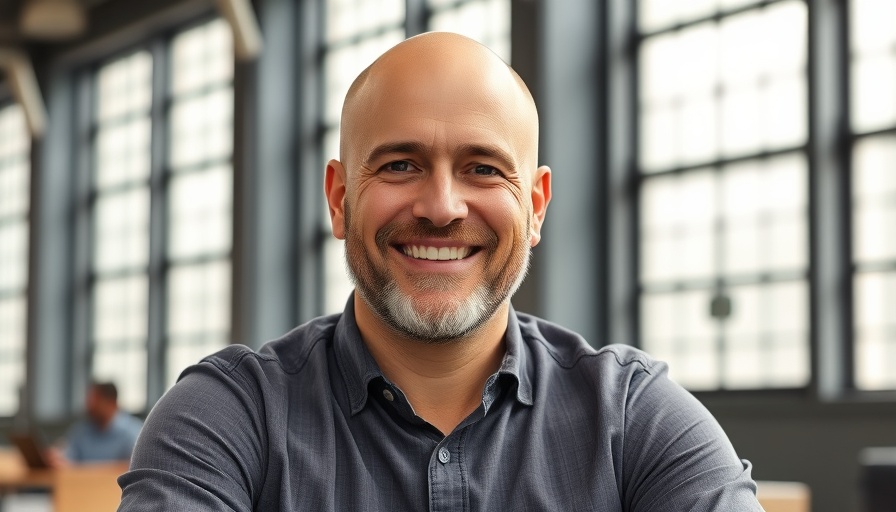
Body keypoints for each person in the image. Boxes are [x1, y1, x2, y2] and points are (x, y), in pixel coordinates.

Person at [118, 32, 763, 510]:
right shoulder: (230, 416)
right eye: (400, 164)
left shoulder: (633, 417)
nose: (441, 208)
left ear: (534, 208)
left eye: (483, 168)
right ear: (340, 199)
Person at [49, 381, 142, 465]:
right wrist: (57, 458)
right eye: (89, 400)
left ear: (111, 402)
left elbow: (133, 468)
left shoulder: (134, 432)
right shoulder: (81, 431)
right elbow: (67, 458)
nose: (89, 405)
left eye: (95, 400)